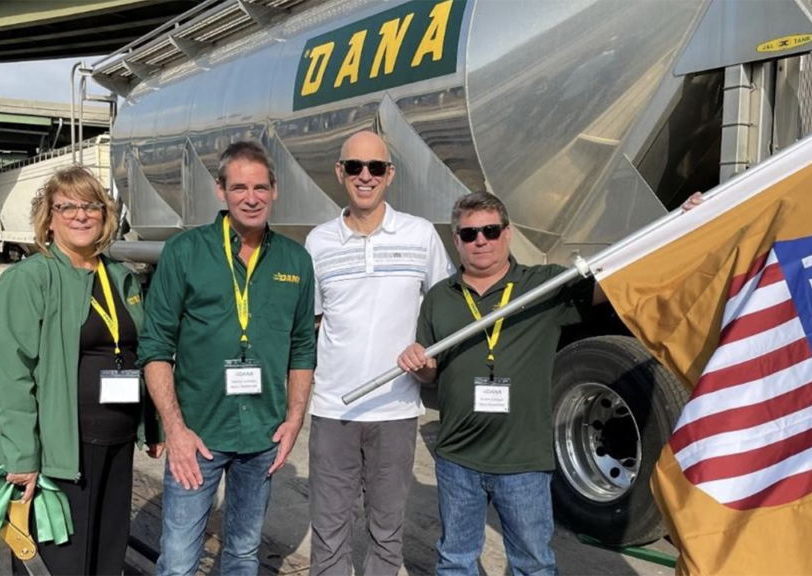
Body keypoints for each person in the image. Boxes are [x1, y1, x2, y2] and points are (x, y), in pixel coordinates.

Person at [398, 191, 705, 575]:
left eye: (490, 231)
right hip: (458, 458)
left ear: (507, 234)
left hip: (523, 462)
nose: (481, 241)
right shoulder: (440, 298)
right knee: (455, 560)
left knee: (534, 565)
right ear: (456, 240)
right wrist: (418, 363)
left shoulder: (542, 286)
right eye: (470, 233)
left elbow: (616, 279)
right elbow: (432, 373)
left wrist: (682, 224)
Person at [138, 141, 316, 576]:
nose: (250, 197)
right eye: (239, 187)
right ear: (220, 191)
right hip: (197, 436)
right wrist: (174, 429)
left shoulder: (296, 260)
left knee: (242, 552)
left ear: (275, 190)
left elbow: (302, 348)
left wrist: (294, 421)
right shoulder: (185, 252)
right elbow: (156, 347)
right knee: (178, 559)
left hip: (263, 437)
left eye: (260, 187)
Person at [0, 166, 163, 575]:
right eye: (67, 207)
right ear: (49, 218)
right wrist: (23, 455)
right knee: (60, 563)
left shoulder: (119, 277)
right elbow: (10, 373)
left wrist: (152, 426)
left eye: (91, 206)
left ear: (105, 215)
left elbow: (139, 351)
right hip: (60, 452)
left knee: (106, 557)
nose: (81, 215)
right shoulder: (30, 278)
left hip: (116, 444)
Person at [304, 131, 454, 575]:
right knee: (329, 535)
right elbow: (312, 324)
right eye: (354, 167)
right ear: (340, 173)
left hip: (396, 412)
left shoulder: (420, 235)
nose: (364, 176)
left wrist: (430, 359)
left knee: (387, 537)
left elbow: (445, 309)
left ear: (390, 174)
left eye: (375, 168)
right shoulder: (319, 242)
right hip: (334, 411)